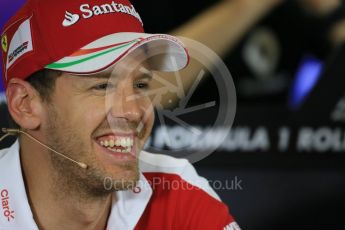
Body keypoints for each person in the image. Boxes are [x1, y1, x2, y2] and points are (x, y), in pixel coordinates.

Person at [0, 0, 240, 229]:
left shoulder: (176, 189)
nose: (134, 112)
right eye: (102, 86)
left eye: (141, 85)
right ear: (25, 104)